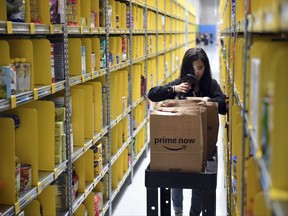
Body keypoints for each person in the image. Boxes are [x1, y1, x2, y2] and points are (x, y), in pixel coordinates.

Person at [148, 47, 227, 216]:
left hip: (203, 144)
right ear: (186, 68)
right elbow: (153, 94)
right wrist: (174, 90)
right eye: (192, 68)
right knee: (177, 179)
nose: (196, 73)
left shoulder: (211, 85)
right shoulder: (179, 84)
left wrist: (209, 100)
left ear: (205, 67)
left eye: (200, 68)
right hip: (181, 142)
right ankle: (178, 211)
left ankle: (193, 213)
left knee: (199, 183)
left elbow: (223, 107)